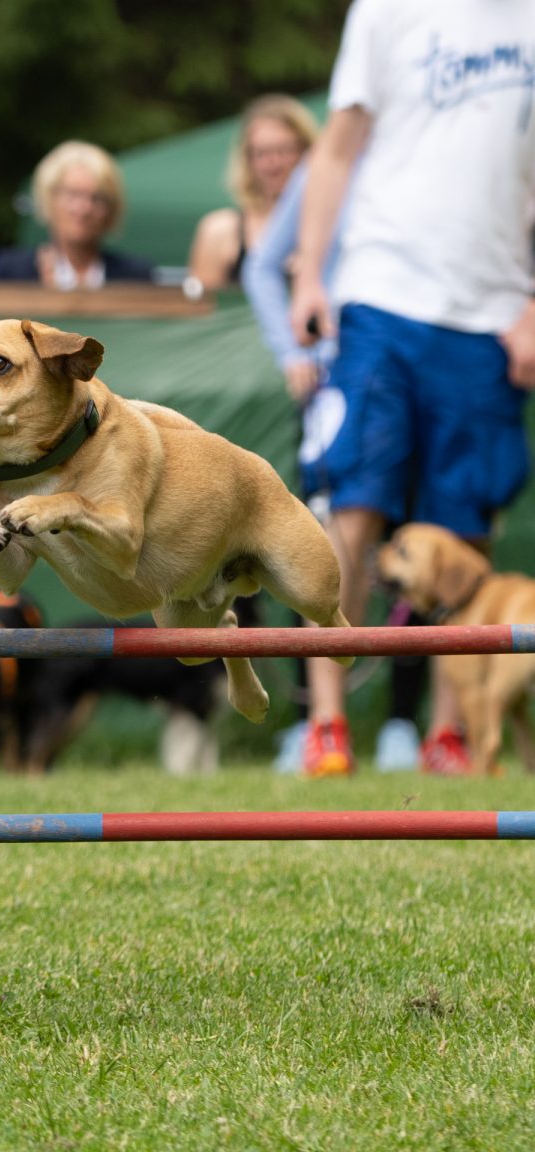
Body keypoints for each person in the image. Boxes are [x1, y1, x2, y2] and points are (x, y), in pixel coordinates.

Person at [290, 0, 535, 777]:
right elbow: (336, 149)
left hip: (494, 312)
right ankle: (326, 726)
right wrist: (308, 271)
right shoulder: (389, 8)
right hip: (381, 293)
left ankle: (449, 734)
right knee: (352, 508)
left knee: (463, 526)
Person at [243, 160, 427, 774]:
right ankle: (326, 727)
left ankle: (421, 729)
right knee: (343, 532)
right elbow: (264, 266)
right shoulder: (335, 163)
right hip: (353, 367)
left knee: (430, 548)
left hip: (445, 357)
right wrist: (293, 349)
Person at [186, 94, 318, 293]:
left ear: (307, 152)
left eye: (285, 150)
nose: (274, 162)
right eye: (262, 152)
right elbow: (204, 313)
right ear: (247, 159)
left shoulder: (333, 226)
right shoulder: (220, 231)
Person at [0, 140, 155, 287]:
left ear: (111, 209)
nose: (84, 208)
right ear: (49, 198)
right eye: (73, 195)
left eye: (97, 198)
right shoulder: (11, 271)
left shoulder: (135, 276)